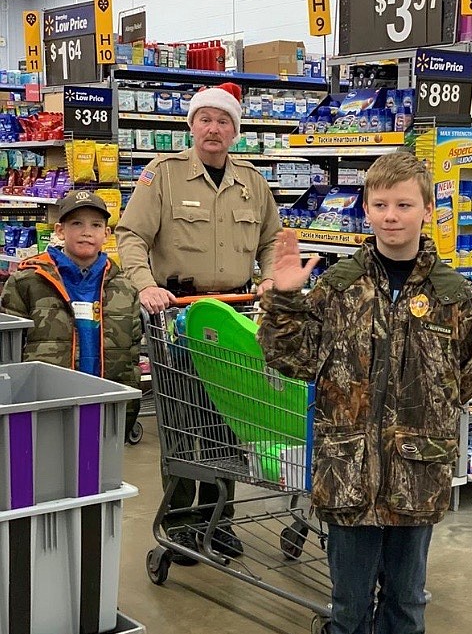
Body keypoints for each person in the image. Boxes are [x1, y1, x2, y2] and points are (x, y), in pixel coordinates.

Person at [257, 151, 472, 634]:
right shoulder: (336, 288)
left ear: (428, 210)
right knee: (350, 583)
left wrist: (422, 417)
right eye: (380, 205)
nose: (391, 216)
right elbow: (296, 359)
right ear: (365, 209)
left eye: (404, 205)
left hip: (419, 467)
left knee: (408, 587)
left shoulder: (453, 293)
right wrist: (284, 299)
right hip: (348, 465)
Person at [116, 81, 280, 559]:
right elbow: (130, 235)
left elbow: (272, 239)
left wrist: (269, 279)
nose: (214, 128)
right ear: (191, 126)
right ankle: (183, 520)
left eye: (223, 121)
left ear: (235, 131)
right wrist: (146, 284)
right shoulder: (162, 175)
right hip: (179, 319)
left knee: (229, 420)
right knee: (185, 421)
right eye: (205, 119)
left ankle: (219, 518)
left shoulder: (252, 181)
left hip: (235, 318)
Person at [1, 190, 141, 435]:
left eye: (96, 225)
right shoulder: (27, 282)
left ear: (107, 234)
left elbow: (131, 356)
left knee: (97, 470)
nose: (87, 231)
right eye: (77, 223)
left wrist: (127, 410)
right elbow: (8, 353)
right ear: (60, 230)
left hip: (104, 406)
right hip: (44, 406)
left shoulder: (125, 290)